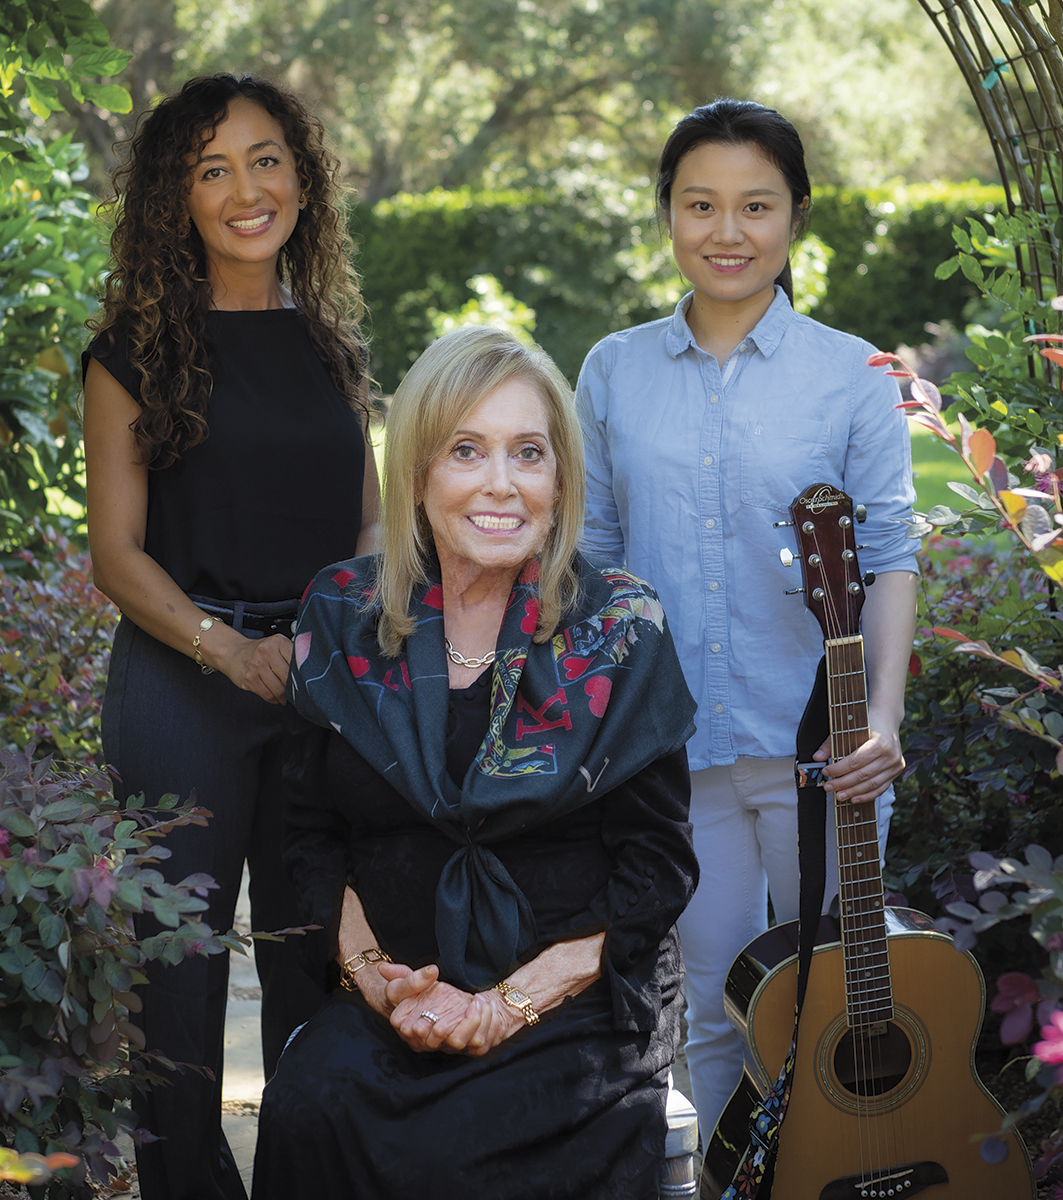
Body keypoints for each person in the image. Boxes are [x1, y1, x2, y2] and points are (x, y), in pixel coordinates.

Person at [252, 325, 699, 1199]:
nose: (501, 483)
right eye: (466, 450)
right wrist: (378, 981)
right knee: (312, 1106)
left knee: (510, 1147)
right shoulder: (341, 618)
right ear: (418, 472)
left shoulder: (618, 630)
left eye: (528, 453)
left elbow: (657, 867)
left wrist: (503, 1006)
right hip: (400, 997)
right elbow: (305, 839)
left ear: (559, 478)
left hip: (572, 1001)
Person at [575, 98, 919, 1144]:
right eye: (701, 205)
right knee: (718, 1019)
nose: (728, 232)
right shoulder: (612, 370)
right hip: (675, 757)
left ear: (796, 216)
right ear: (669, 215)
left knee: (839, 1013)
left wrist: (884, 721)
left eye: (756, 206)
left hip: (824, 748)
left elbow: (892, 556)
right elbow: (588, 560)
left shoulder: (851, 376)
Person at [81, 74, 380, 1200]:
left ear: (301, 176)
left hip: (317, 685)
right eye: (211, 168)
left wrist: (332, 640)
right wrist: (226, 646)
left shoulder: (332, 348)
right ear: (176, 199)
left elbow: (363, 522)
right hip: (179, 690)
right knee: (179, 981)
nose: (246, 189)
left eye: (265, 159)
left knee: (317, 958)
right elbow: (118, 555)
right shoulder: (129, 356)